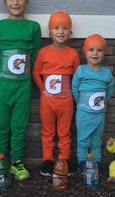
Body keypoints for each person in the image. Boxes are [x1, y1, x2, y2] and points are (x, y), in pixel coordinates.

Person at [0, 0, 41, 181]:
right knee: (1, 124)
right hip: (2, 84)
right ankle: (0, 160)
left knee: (19, 124)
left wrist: (27, 75)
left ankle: (17, 161)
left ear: (26, 1)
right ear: (5, 1)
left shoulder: (33, 27)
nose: (15, 2)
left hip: (23, 85)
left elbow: (36, 54)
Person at [33, 11, 80, 176]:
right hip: (47, 100)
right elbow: (36, 73)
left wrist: (75, 96)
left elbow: (77, 77)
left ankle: (64, 160)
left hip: (66, 101)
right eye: (56, 28)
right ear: (50, 32)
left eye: (65, 28)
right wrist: (43, 90)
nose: (61, 31)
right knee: (47, 131)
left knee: (64, 131)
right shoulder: (43, 52)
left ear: (70, 32)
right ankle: (47, 161)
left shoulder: (72, 53)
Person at [72, 34, 115, 174]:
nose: (95, 53)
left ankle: (96, 163)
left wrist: (101, 103)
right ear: (85, 52)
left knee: (96, 141)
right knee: (83, 140)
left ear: (104, 53)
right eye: (91, 50)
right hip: (84, 113)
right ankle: (81, 164)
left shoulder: (107, 73)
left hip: (99, 114)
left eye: (99, 50)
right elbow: (75, 88)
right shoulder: (81, 70)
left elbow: (109, 90)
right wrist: (81, 103)